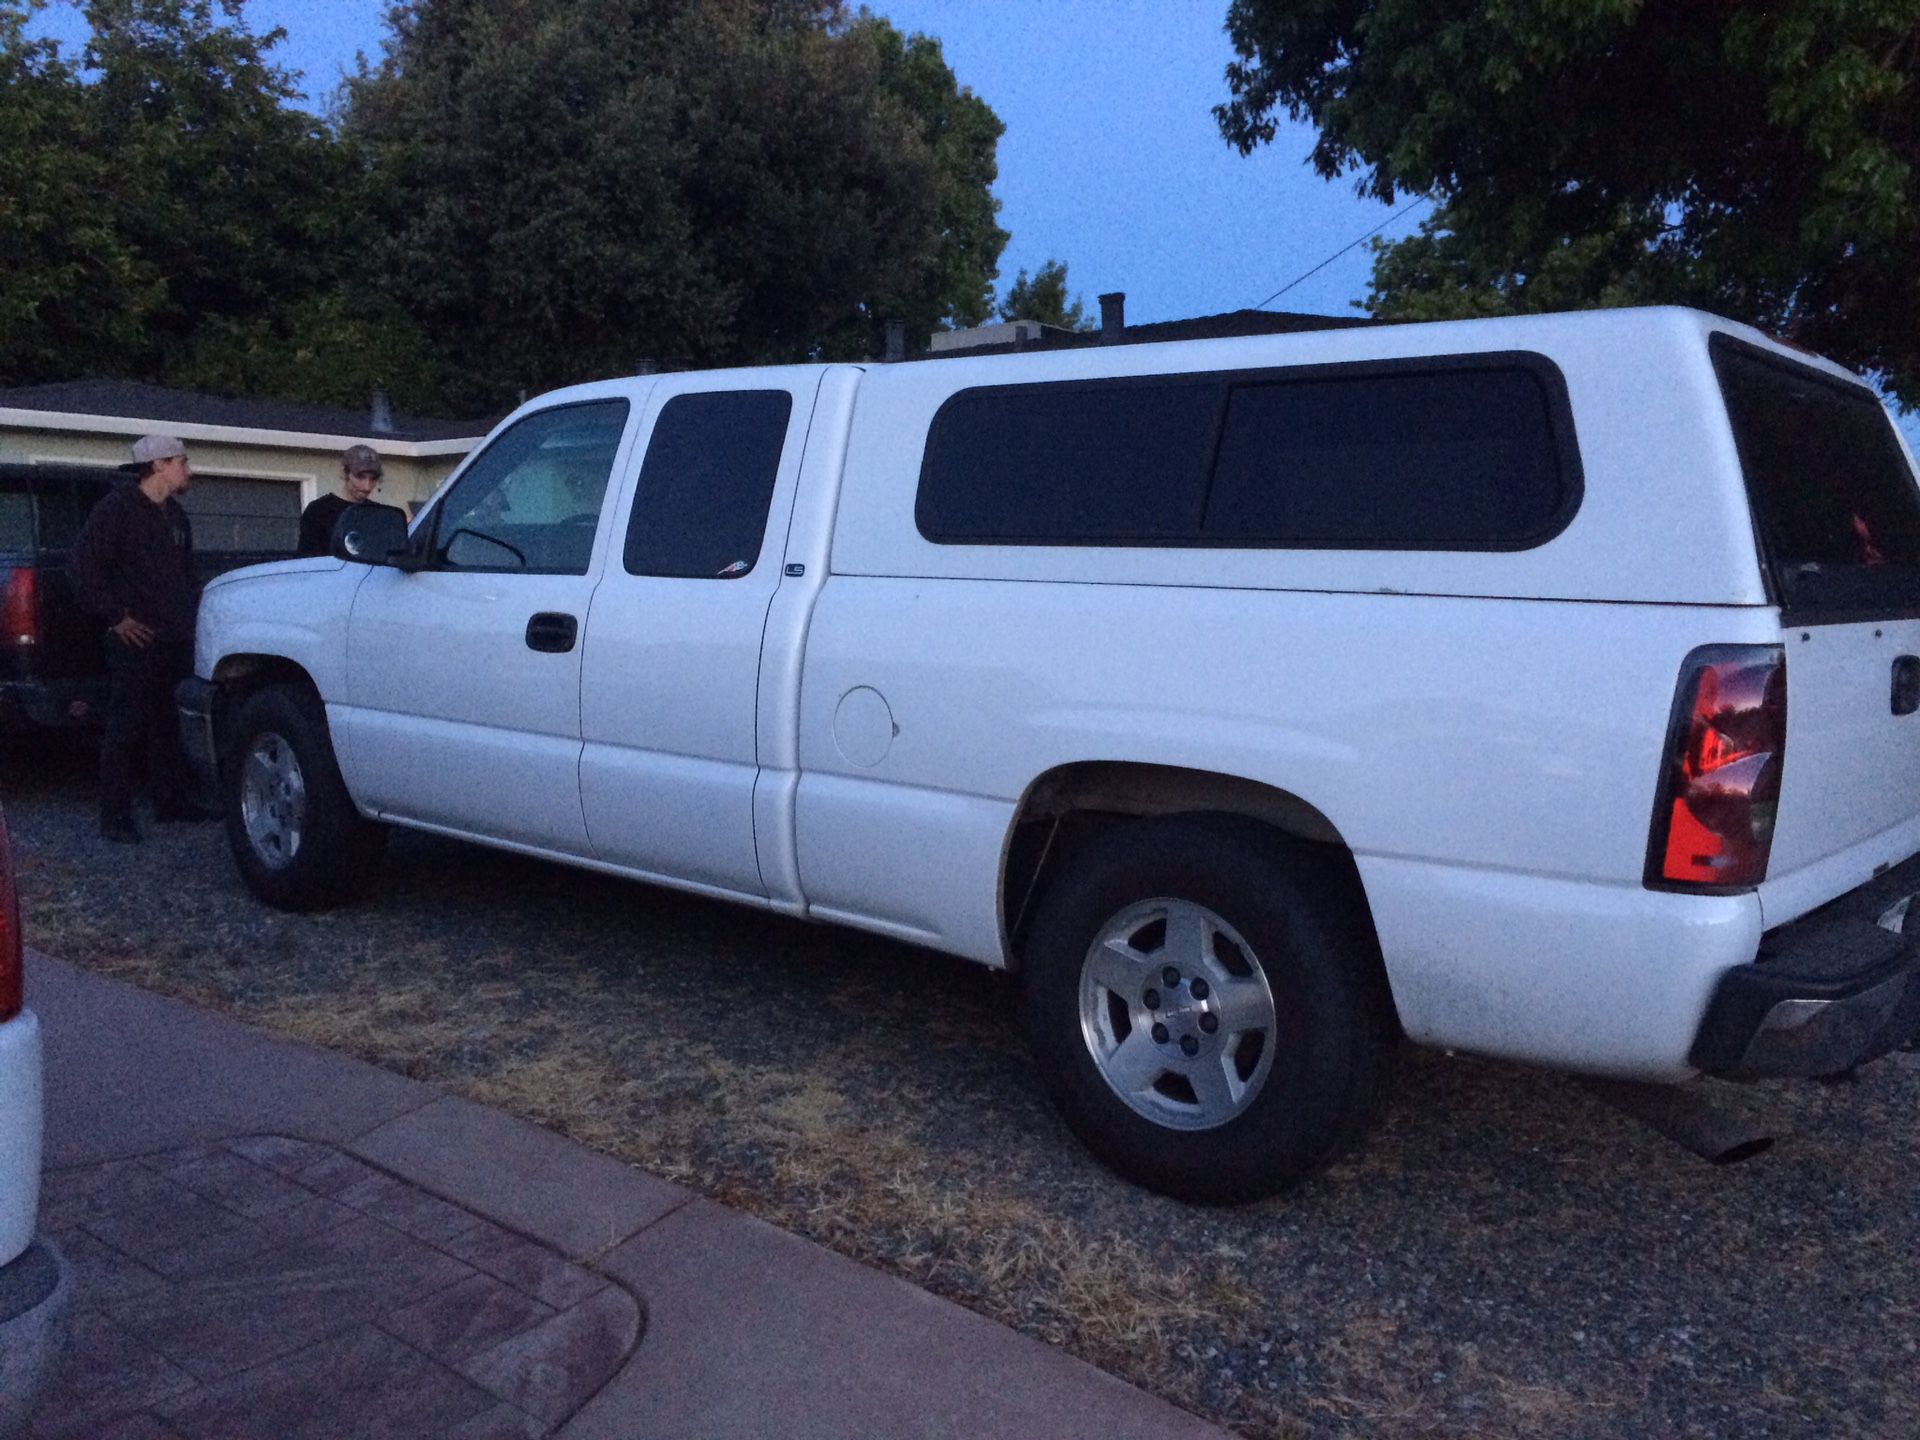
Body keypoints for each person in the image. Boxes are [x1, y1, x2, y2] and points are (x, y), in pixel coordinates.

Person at [67, 435, 208, 843]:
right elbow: (82, 568)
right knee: (125, 726)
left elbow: (185, 576)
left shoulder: (176, 516)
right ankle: (115, 816)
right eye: (182, 462)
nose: (188, 470)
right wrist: (117, 618)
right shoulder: (116, 511)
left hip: (173, 638)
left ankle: (172, 801)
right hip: (136, 641)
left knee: (168, 725)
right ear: (160, 464)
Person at [297, 443, 385, 557]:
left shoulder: (379, 514)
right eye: (360, 477)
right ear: (345, 473)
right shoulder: (319, 511)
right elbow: (307, 560)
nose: (367, 486)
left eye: (373, 479)